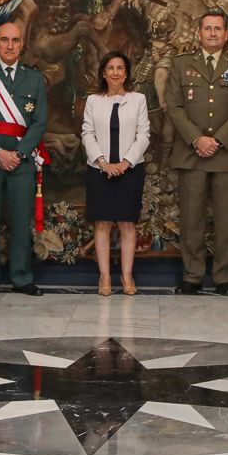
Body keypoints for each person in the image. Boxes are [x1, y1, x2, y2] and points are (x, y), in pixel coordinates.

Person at [163, 10, 228, 295]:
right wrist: (197, 139)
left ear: (227, 34)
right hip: (191, 153)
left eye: (218, 29)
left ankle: (223, 278)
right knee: (192, 218)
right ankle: (192, 276)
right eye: (208, 28)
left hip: (226, 153)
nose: (213, 33)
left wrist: (217, 140)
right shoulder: (181, 65)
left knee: (226, 219)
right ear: (199, 33)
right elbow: (174, 108)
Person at [0, 20, 49, 295]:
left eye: (15, 40)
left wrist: (19, 153)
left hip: (21, 162)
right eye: (4, 40)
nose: (10, 46)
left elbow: (39, 122)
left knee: (20, 220)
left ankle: (22, 276)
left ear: (22, 44)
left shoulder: (35, 78)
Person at [81, 52, 151, 296]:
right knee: (102, 223)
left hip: (129, 170)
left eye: (120, 68)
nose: (115, 72)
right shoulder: (93, 101)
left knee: (126, 223)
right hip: (99, 170)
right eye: (110, 68)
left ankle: (127, 276)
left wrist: (125, 162)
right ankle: (104, 278)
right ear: (103, 72)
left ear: (127, 73)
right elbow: (87, 133)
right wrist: (103, 162)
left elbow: (143, 135)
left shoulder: (138, 99)